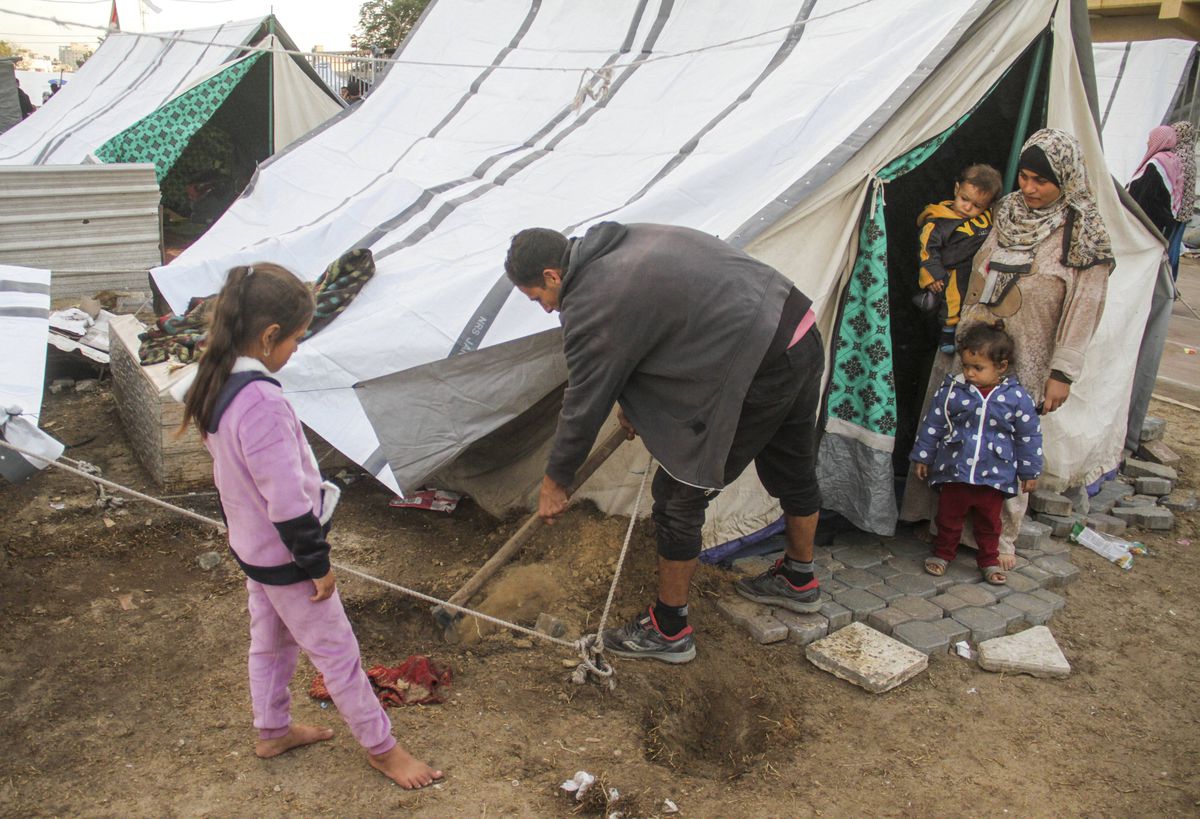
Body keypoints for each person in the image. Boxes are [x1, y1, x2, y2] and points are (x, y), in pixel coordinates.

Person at [504, 222, 825, 665]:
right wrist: (634, 402)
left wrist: (556, 481)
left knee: (678, 495)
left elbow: (583, 402)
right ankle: (799, 578)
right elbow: (665, 327)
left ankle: (669, 629)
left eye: (537, 297)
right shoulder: (626, 242)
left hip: (759, 362)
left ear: (553, 276)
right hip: (799, 331)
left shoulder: (591, 302)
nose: (543, 310)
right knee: (793, 463)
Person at [179, 264, 442, 789]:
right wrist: (316, 563)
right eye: (297, 337)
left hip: (252, 548)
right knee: (339, 655)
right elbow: (285, 499)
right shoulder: (260, 402)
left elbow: (238, 483)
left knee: (271, 641)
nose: (298, 347)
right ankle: (383, 750)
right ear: (270, 335)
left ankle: (273, 729)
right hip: (286, 556)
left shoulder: (215, 383)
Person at [900, 128, 1113, 568]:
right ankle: (939, 522)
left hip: (1027, 359)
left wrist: (1062, 372)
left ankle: (995, 542)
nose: (1029, 189)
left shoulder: (1082, 230)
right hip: (972, 350)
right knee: (954, 431)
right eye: (1025, 177)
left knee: (1007, 443)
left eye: (1041, 181)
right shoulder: (1006, 212)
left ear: (1067, 179)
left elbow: (1085, 306)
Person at [910, 320, 1042, 584]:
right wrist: (923, 456)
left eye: (978, 368)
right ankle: (943, 553)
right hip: (955, 469)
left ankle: (989, 560)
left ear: (1001, 367)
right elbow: (933, 424)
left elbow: (1029, 437)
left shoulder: (1016, 398)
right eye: (966, 366)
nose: (969, 373)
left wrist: (1030, 471)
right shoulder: (952, 391)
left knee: (990, 523)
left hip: (993, 476)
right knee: (948, 516)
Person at [915, 164, 1003, 353]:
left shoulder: (987, 217)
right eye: (964, 199)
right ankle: (947, 331)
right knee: (952, 298)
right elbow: (927, 248)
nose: (968, 207)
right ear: (956, 189)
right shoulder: (939, 220)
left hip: (973, 270)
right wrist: (933, 274)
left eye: (977, 205)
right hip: (950, 269)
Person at [1127, 121, 1196, 280]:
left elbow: (1149, 195)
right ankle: (1169, 284)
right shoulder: (1179, 157)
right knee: (1169, 252)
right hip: (1175, 213)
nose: (1147, 141)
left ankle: (1167, 283)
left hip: (1159, 218)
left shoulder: (1162, 161)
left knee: (1167, 254)